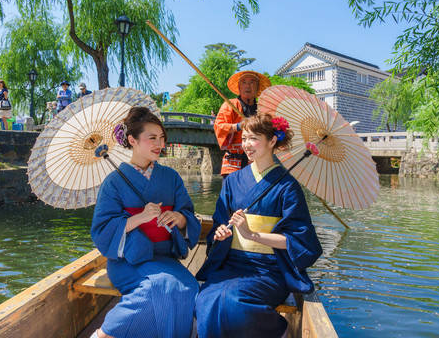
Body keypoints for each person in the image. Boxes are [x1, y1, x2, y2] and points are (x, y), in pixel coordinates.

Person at [195, 113, 323, 338]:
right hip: (231, 262)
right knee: (207, 298)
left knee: (234, 301)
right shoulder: (233, 180)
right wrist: (222, 232)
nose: (246, 145)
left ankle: (278, 330)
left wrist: (252, 234)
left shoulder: (287, 187)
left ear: (272, 141)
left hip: (269, 269)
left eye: (253, 138)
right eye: (244, 138)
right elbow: (219, 222)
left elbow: (299, 240)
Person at [90, 107, 201, 338]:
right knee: (156, 288)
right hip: (127, 261)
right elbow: (101, 230)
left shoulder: (170, 177)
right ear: (132, 140)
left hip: (164, 258)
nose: (159, 143)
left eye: (162, 138)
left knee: (188, 288)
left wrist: (178, 218)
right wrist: (139, 218)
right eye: (152, 138)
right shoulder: (113, 182)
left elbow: (187, 213)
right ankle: (105, 334)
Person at [213, 70, 271, 177]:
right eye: (244, 82)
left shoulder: (263, 110)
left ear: (257, 88)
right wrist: (238, 126)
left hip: (256, 164)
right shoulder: (230, 104)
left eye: (252, 82)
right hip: (233, 164)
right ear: (239, 87)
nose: (248, 86)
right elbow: (219, 126)